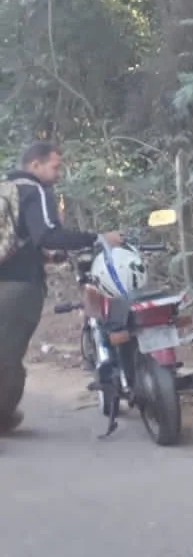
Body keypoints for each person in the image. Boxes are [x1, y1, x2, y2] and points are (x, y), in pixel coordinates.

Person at [0, 141, 123, 432]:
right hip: (18, 287)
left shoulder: (6, 188)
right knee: (7, 355)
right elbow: (47, 236)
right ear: (35, 165)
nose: (58, 173)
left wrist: (48, 254)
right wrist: (96, 238)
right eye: (55, 166)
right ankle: (2, 416)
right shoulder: (34, 189)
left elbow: (22, 239)